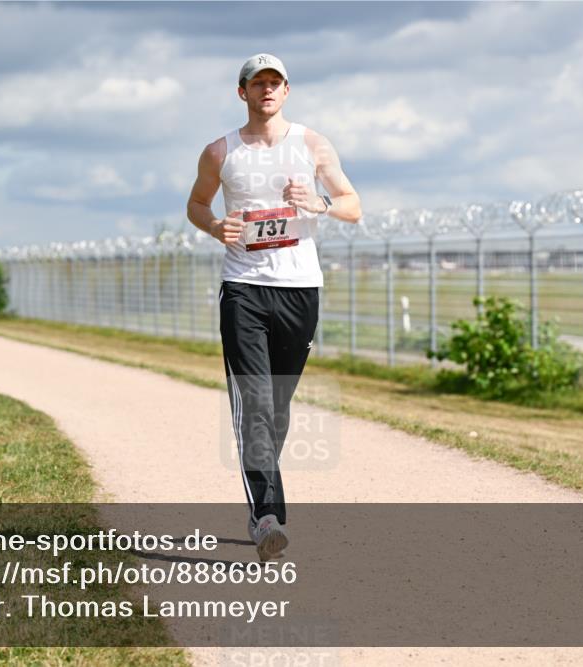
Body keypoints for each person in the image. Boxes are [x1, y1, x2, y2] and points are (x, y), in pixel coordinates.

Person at [186, 54, 361, 561]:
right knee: (256, 403)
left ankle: (262, 489)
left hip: (300, 288)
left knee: (277, 407)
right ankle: (268, 517)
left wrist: (319, 204)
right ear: (241, 92)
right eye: (257, 83)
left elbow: (352, 204)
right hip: (242, 286)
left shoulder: (312, 145)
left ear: (286, 92)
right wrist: (216, 227)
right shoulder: (220, 152)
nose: (267, 90)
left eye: (275, 83)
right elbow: (197, 204)